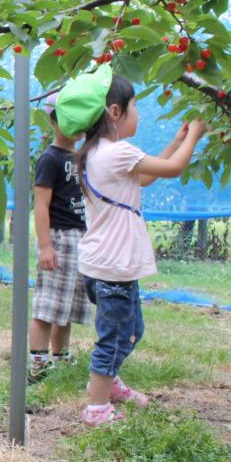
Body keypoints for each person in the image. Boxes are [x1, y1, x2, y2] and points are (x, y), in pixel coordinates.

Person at [54, 66, 206, 427]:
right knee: (114, 337)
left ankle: (110, 384)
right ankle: (96, 408)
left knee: (131, 330)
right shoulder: (117, 152)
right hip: (114, 267)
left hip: (103, 264)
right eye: (135, 106)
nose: (138, 114)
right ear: (115, 113)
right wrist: (195, 135)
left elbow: (151, 174)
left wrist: (176, 139)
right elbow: (172, 170)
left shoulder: (96, 154)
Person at [28, 93, 89, 383]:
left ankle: (60, 357)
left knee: (66, 305)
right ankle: (37, 364)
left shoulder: (80, 157)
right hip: (59, 238)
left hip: (79, 237)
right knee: (48, 305)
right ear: (54, 122)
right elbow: (40, 205)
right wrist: (45, 246)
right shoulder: (50, 159)